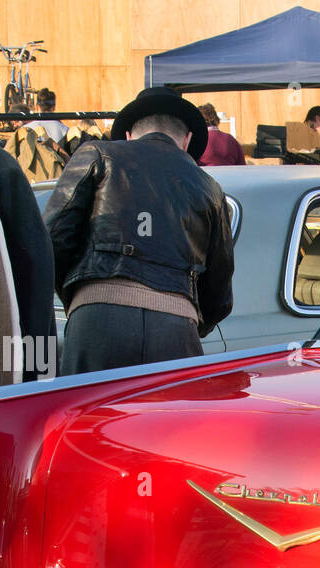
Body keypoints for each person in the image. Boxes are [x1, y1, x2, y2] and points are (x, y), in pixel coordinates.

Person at [43, 86, 235, 376]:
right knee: (167, 422)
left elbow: (52, 240)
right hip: (176, 331)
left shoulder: (97, 153)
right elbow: (219, 291)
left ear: (129, 135)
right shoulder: (210, 188)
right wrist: (182, 317)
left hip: (97, 322)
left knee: (92, 421)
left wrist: (82, 299)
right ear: (187, 140)